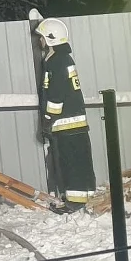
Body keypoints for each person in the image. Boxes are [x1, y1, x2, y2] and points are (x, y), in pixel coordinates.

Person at [34, 16, 95, 212]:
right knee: (79, 162)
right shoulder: (63, 59)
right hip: (74, 122)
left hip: (65, 123)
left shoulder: (56, 61)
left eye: (42, 36)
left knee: (70, 164)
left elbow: (56, 94)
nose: (40, 40)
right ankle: (82, 199)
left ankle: (74, 203)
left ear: (50, 38)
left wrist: (48, 119)